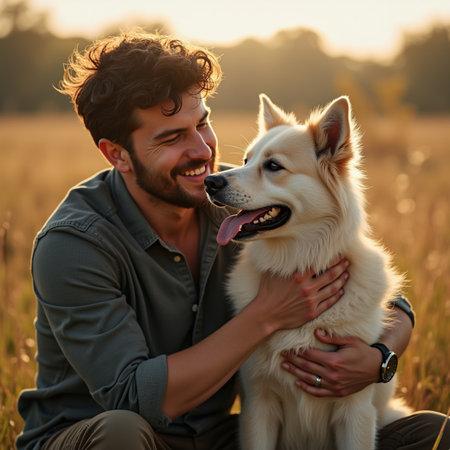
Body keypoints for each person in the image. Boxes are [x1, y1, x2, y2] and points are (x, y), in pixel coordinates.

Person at [16, 30, 449, 450]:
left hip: (211, 438)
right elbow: (136, 399)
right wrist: (266, 314)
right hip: (99, 435)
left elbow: (383, 298)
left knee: (434, 433)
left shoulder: (238, 192)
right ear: (117, 154)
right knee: (121, 432)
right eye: (172, 138)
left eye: (202, 124)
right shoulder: (72, 245)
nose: (202, 152)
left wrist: (378, 359)